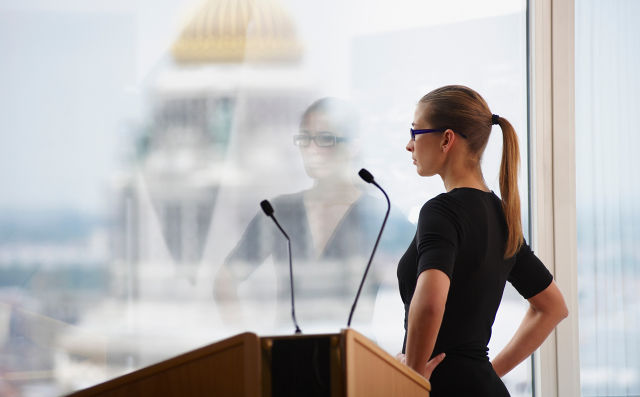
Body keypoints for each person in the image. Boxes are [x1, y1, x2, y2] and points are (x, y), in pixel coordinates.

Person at [397, 85, 568, 396]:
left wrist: (411, 380)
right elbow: (553, 308)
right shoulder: (503, 216)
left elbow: (431, 303)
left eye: (415, 131)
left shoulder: (440, 211)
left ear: (446, 139)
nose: (409, 145)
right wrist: (488, 372)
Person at [215, 97, 413, 328]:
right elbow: (225, 279)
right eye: (305, 139)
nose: (312, 150)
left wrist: (410, 355)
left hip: (356, 356)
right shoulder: (278, 214)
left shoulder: (381, 216)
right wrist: (246, 346)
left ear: (353, 145)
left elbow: (423, 292)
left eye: (325, 139)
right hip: (288, 351)